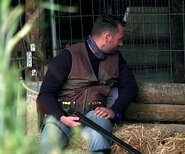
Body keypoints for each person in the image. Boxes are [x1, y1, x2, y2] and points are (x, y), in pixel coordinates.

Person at [37, 14, 138, 154]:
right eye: (119, 39)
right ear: (107, 37)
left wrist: (113, 110)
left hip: (95, 114)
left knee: (100, 143)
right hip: (65, 113)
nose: (121, 44)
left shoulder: (116, 58)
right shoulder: (67, 56)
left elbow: (130, 86)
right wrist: (62, 117)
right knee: (47, 148)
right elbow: (45, 94)